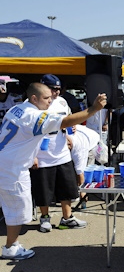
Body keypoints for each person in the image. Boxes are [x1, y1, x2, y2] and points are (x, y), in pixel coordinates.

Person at [0, 82, 106, 260]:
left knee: (15, 208)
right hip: (13, 168)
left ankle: (13, 245)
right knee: (17, 211)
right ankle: (10, 247)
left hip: (8, 163)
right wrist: (93, 109)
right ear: (34, 98)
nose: (51, 101)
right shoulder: (32, 115)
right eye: (46, 98)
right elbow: (63, 121)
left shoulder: (17, 109)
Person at [29, 74, 85, 233]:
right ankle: (45, 218)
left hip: (61, 151)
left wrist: (70, 130)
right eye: (53, 89)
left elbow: (66, 120)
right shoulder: (33, 104)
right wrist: (32, 155)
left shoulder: (62, 102)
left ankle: (67, 218)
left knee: (67, 186)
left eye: (59, 89)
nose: (56, 92)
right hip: (42, 153)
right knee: (43, 189)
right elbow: (28, 133)